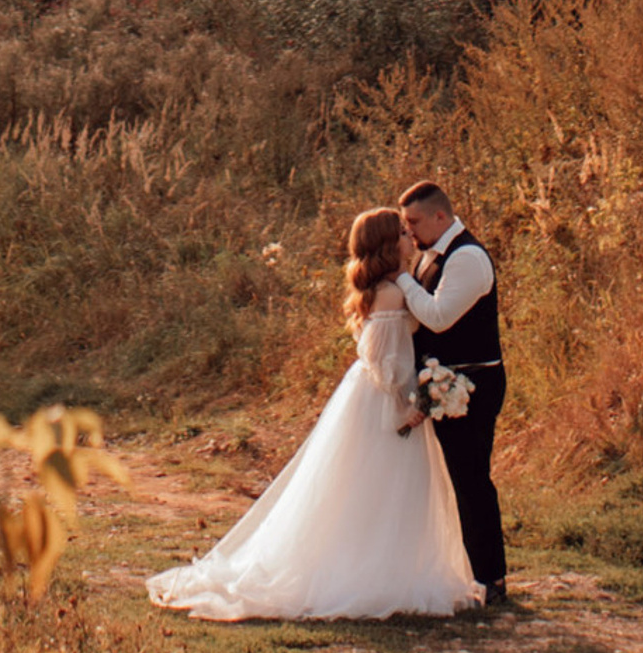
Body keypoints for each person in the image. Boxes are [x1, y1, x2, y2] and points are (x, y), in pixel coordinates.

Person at [147, 205, 482, 622]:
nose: (408, 238)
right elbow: (382, 359)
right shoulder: (393, 290)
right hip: (384, 401)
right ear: (385, 242)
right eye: (400, 231)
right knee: (381, 487)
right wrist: (406, 405)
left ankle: (374, 564)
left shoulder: (381, 286)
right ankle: (371, 573)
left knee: (367, 488)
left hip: (368, 395)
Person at [395, 177, 507, 606]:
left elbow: (439, 317)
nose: (409, 232)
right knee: (453, 479)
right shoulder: (431, 256)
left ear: (441, 216)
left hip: (472, 385)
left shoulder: (468, 259)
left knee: (472, 480)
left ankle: (491, 579)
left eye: (414, 222)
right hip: (445, 383)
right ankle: (466, 571)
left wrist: (400, 280)